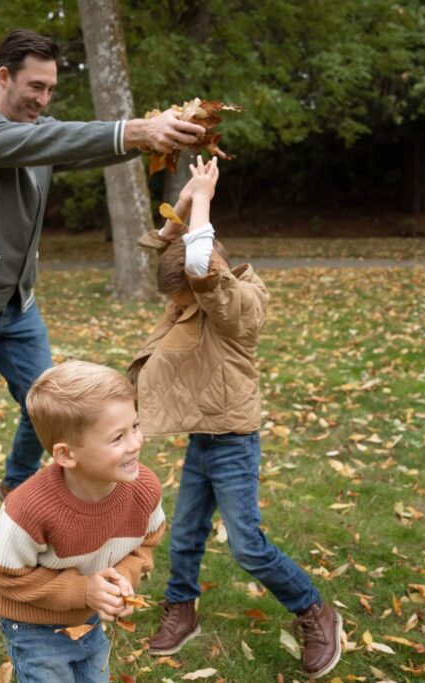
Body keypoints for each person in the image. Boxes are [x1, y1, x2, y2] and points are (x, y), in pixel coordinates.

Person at [0, 28, 203, 590]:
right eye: (34, 86)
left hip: (17, 303)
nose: (43, 100)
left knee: (50, 407)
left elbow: (70, 142)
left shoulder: (40, 131)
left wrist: (151, 137)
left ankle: (12, 487)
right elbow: (50, 143)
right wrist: (136, 130)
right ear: (4, 77)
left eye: (50, 89)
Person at [128, 157, 343, 679]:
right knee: (184, 533)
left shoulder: (234, 302)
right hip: (204, 432)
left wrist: (205, 198)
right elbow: (168, 246)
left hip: (233, 439)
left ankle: (315, 611)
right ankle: (182, 609)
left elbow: (200, 265)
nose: (177, 308)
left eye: (183, 300)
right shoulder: (198, 288)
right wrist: (183, 202)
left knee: (247, 545)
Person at [0, 360, 165, 682]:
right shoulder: (28, 510)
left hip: (87, 615)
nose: (136, 443)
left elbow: (147, 543)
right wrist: (84, 590)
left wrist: (120, 579)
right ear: (66, 455)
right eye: (117, 437)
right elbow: (6, 579)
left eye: (135, 427)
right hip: (32, 624)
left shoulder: (144, 490)